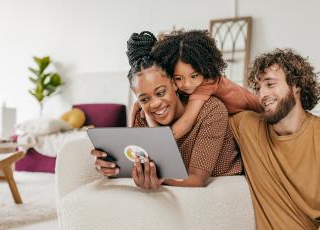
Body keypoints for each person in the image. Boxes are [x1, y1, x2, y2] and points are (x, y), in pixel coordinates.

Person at [91, 31, 243, 189]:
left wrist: (159, 178)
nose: (155, 104)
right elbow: (137, 166)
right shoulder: (141, 117)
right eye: (144, 99)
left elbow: (197, 180)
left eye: (160, 93)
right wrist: (112, 168)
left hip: (221, 191)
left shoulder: (211, 110)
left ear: (174, 83)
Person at [229, 48, 320, 229]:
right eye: (258, 89)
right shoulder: (248, 126)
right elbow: (214, 91)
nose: (262, 95)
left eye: (270, 84)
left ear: (296, 85)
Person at [129, 30, 260, 139]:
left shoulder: (206, 83)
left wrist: (152, 124)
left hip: (258, 113)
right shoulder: (191, 85)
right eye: (178, 78)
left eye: (194, 76)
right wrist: (139, 104)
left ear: (205, 68)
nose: (187, 85)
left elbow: (184, 124)